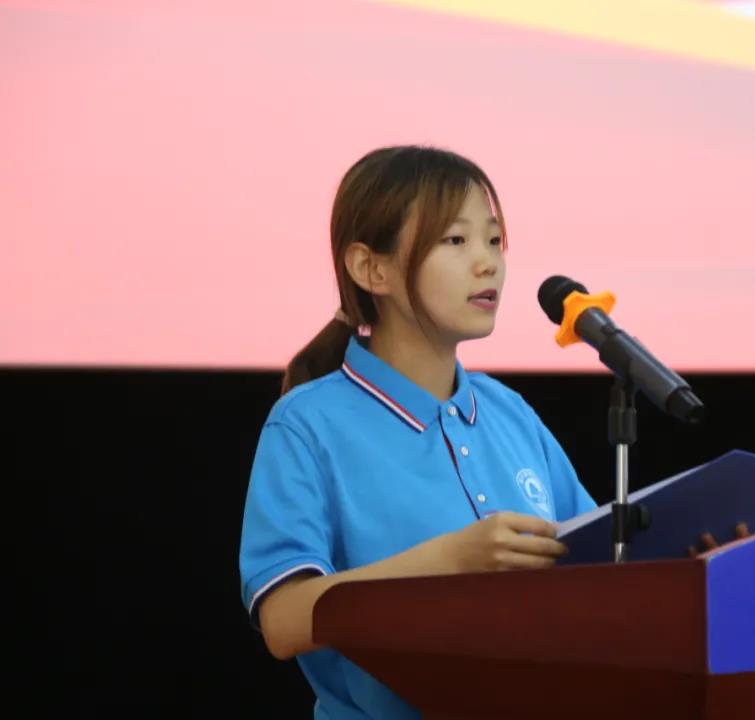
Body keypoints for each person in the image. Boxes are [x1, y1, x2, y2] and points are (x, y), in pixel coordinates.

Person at [238, 145, 598, 719]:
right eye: (455, 240)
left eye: (494, 240)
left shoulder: (509, 413)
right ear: (370, 269)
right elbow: (282, 620)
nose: (488, 263)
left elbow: (601, 566)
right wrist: (451, 559)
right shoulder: (306, 425)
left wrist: (691, 558)